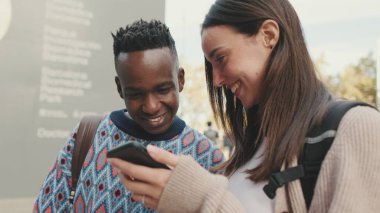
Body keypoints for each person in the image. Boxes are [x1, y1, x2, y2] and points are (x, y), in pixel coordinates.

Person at [109, 0, 380, 212]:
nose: (216, 80)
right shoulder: (248, 151)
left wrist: (201, 198)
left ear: (269, 35)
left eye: (221, 58)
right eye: (210, 66)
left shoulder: (356, 128)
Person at [33, 19, 225, 213]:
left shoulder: (207, 157)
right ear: (120, 88)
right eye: (136, 94)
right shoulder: (89, 135)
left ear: (180, 79)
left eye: (163, 89)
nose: (151, 107)